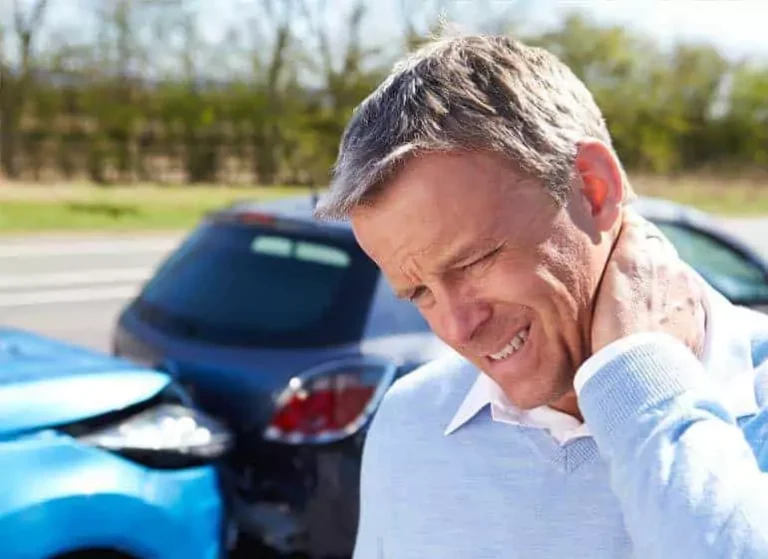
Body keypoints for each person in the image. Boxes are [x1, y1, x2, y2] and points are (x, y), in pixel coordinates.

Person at [313, 34, 768, 559]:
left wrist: (643, 386)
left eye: (474, 261)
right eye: (418, 292)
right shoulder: (410, 420)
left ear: (593, 188)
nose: (457, 328)